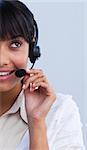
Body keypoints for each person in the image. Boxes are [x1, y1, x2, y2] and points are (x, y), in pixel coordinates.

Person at [0, 0, 85, 150]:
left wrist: (37, 122)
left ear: (32, 51)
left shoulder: (59, 111)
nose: (2, 60)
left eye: (15, 44)